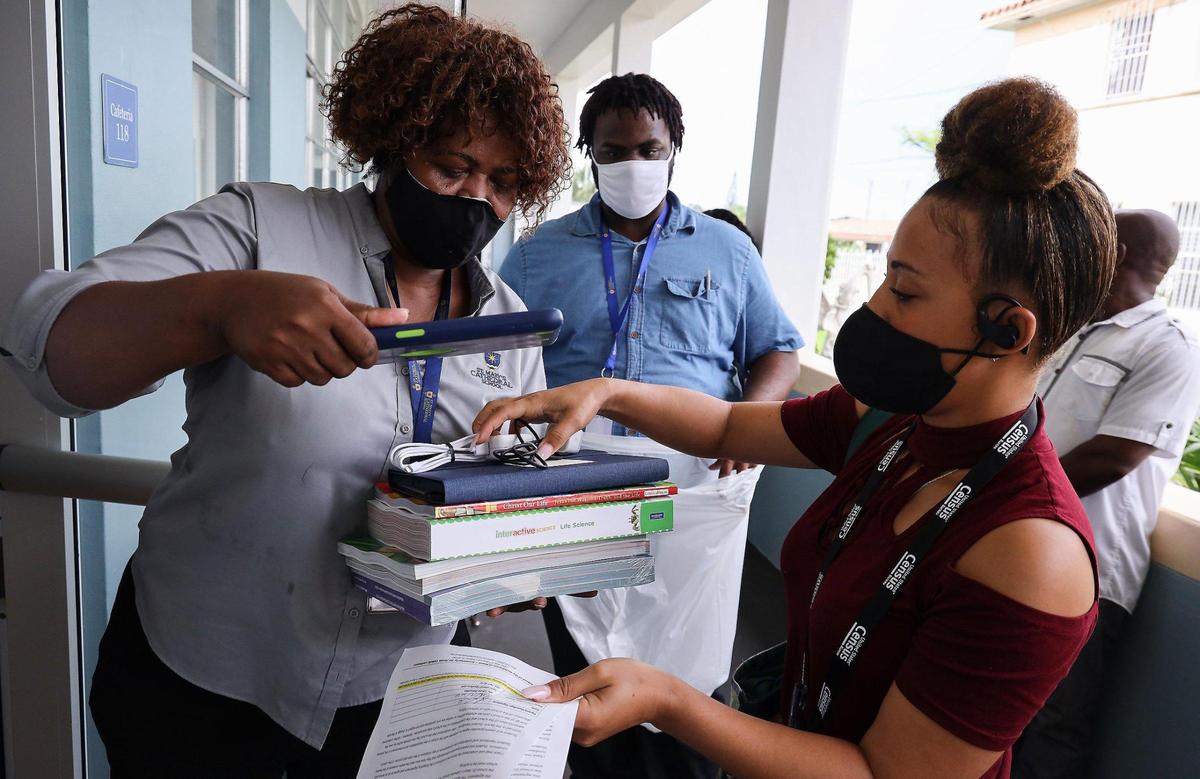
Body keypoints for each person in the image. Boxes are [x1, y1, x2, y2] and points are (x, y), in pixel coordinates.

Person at [473, 77, 1115, 779]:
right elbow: (723, 424)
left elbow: (884, 773)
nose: (872, 310)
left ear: (1006, 329)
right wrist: (605, 392)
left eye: (904, 290)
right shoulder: (891, 423)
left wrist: (672, 700)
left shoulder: (1029, 551)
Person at [0, 5, 571, 776]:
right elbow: (49, 343)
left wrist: (506, 557)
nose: (475, 200)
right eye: (450, 165)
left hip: (392, 695)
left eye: (502, 183)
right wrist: (220, 306)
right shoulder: (260, 228)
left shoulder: (505, 324)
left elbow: (500, 479)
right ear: (393, 138)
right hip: (204, 679)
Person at [499, 73, 803, 778]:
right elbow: (500, 360)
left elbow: (778, 350)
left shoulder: (726, 251)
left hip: (693, 479)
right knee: (588, 666)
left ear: (675, 150)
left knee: (687, 671)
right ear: (589, 154)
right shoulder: (537, 254)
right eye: (614, 150)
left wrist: (750, 420)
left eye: (649, 148)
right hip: (579, 481)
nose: (634, 164)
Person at [1013, 210, 1200, 777]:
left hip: (1087, 570)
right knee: (997, 710)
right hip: (1017, 548)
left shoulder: (1168, 346)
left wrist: (1000, 497)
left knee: (1052, 723)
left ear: (1115, 252)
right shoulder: (1069, 328)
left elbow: (1116, 455)